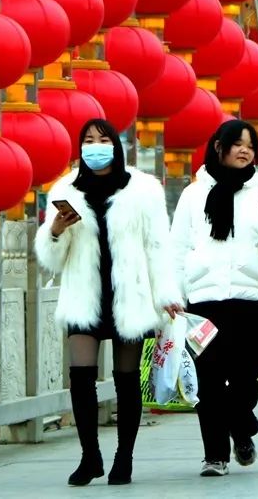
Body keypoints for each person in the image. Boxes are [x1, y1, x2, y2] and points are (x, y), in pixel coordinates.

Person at [35, 119, 184, 487]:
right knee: (80, 376)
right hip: (85, 296)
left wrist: (166, 294)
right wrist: (55, 230)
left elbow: (157, 246)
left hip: (129, 296)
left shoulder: (143, 189)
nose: (95, 146)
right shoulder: (66, 187)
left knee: (126, 379)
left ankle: (124, 458)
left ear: (116, 146)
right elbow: (52, 258)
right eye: (87, 140)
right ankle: (90, 457)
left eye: (103, 139)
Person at [170, 120, 258, 477]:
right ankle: (215, 456)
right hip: (203, 302)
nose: (244, 151)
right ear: (219, 147)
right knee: (208, 380)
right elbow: (178, 246)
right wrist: (175, 293)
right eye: (237, 144)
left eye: (250, 147)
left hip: (247, 298)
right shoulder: (194, 194)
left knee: (246, 374)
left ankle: (241, 425)